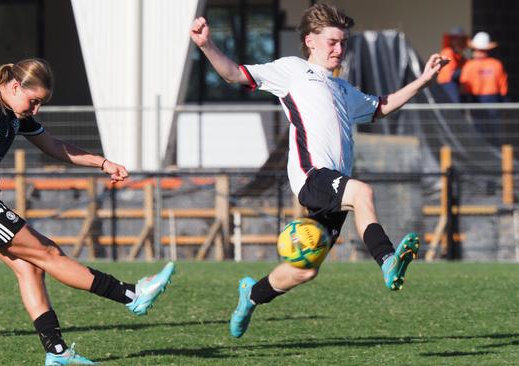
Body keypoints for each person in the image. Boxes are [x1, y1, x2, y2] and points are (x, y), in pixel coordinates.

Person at [191, 3, 447, 338]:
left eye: (343, 43)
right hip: (312, 175)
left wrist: (423, 81)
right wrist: (206, 45)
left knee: (304, 271)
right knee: (362, 192)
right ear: (311, 41)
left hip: (333, 184)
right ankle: (387, 261)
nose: (339, 49)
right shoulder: (292, 70)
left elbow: (380, 107)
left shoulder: (343, 88)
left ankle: (250, 296)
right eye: (332, 42)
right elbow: (234, 74)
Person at [0, 58, 175, 365]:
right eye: (34, 101)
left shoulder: (15, 111)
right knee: (49, 254)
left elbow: (54, 146)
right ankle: (133, 296)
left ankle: (57, 353)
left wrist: (102, 163)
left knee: (31, 268)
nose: (35, 110)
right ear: (15, 86)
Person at [460, 31, 508, 145]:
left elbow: (463, 87)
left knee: (479, 130)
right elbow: (504, 88)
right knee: (494, 130)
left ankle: (482, 155)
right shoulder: (497, 64)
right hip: (493, 101)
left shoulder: (469, 65)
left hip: (475, 101)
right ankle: (495, 155)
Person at [437, 27, 467, 102]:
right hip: (447, 85)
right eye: (456, 39)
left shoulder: (460, 56)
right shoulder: (447, 52)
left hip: (455, 85)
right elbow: (452, 75)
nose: (459, 42)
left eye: (461, 40)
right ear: (451, 41)